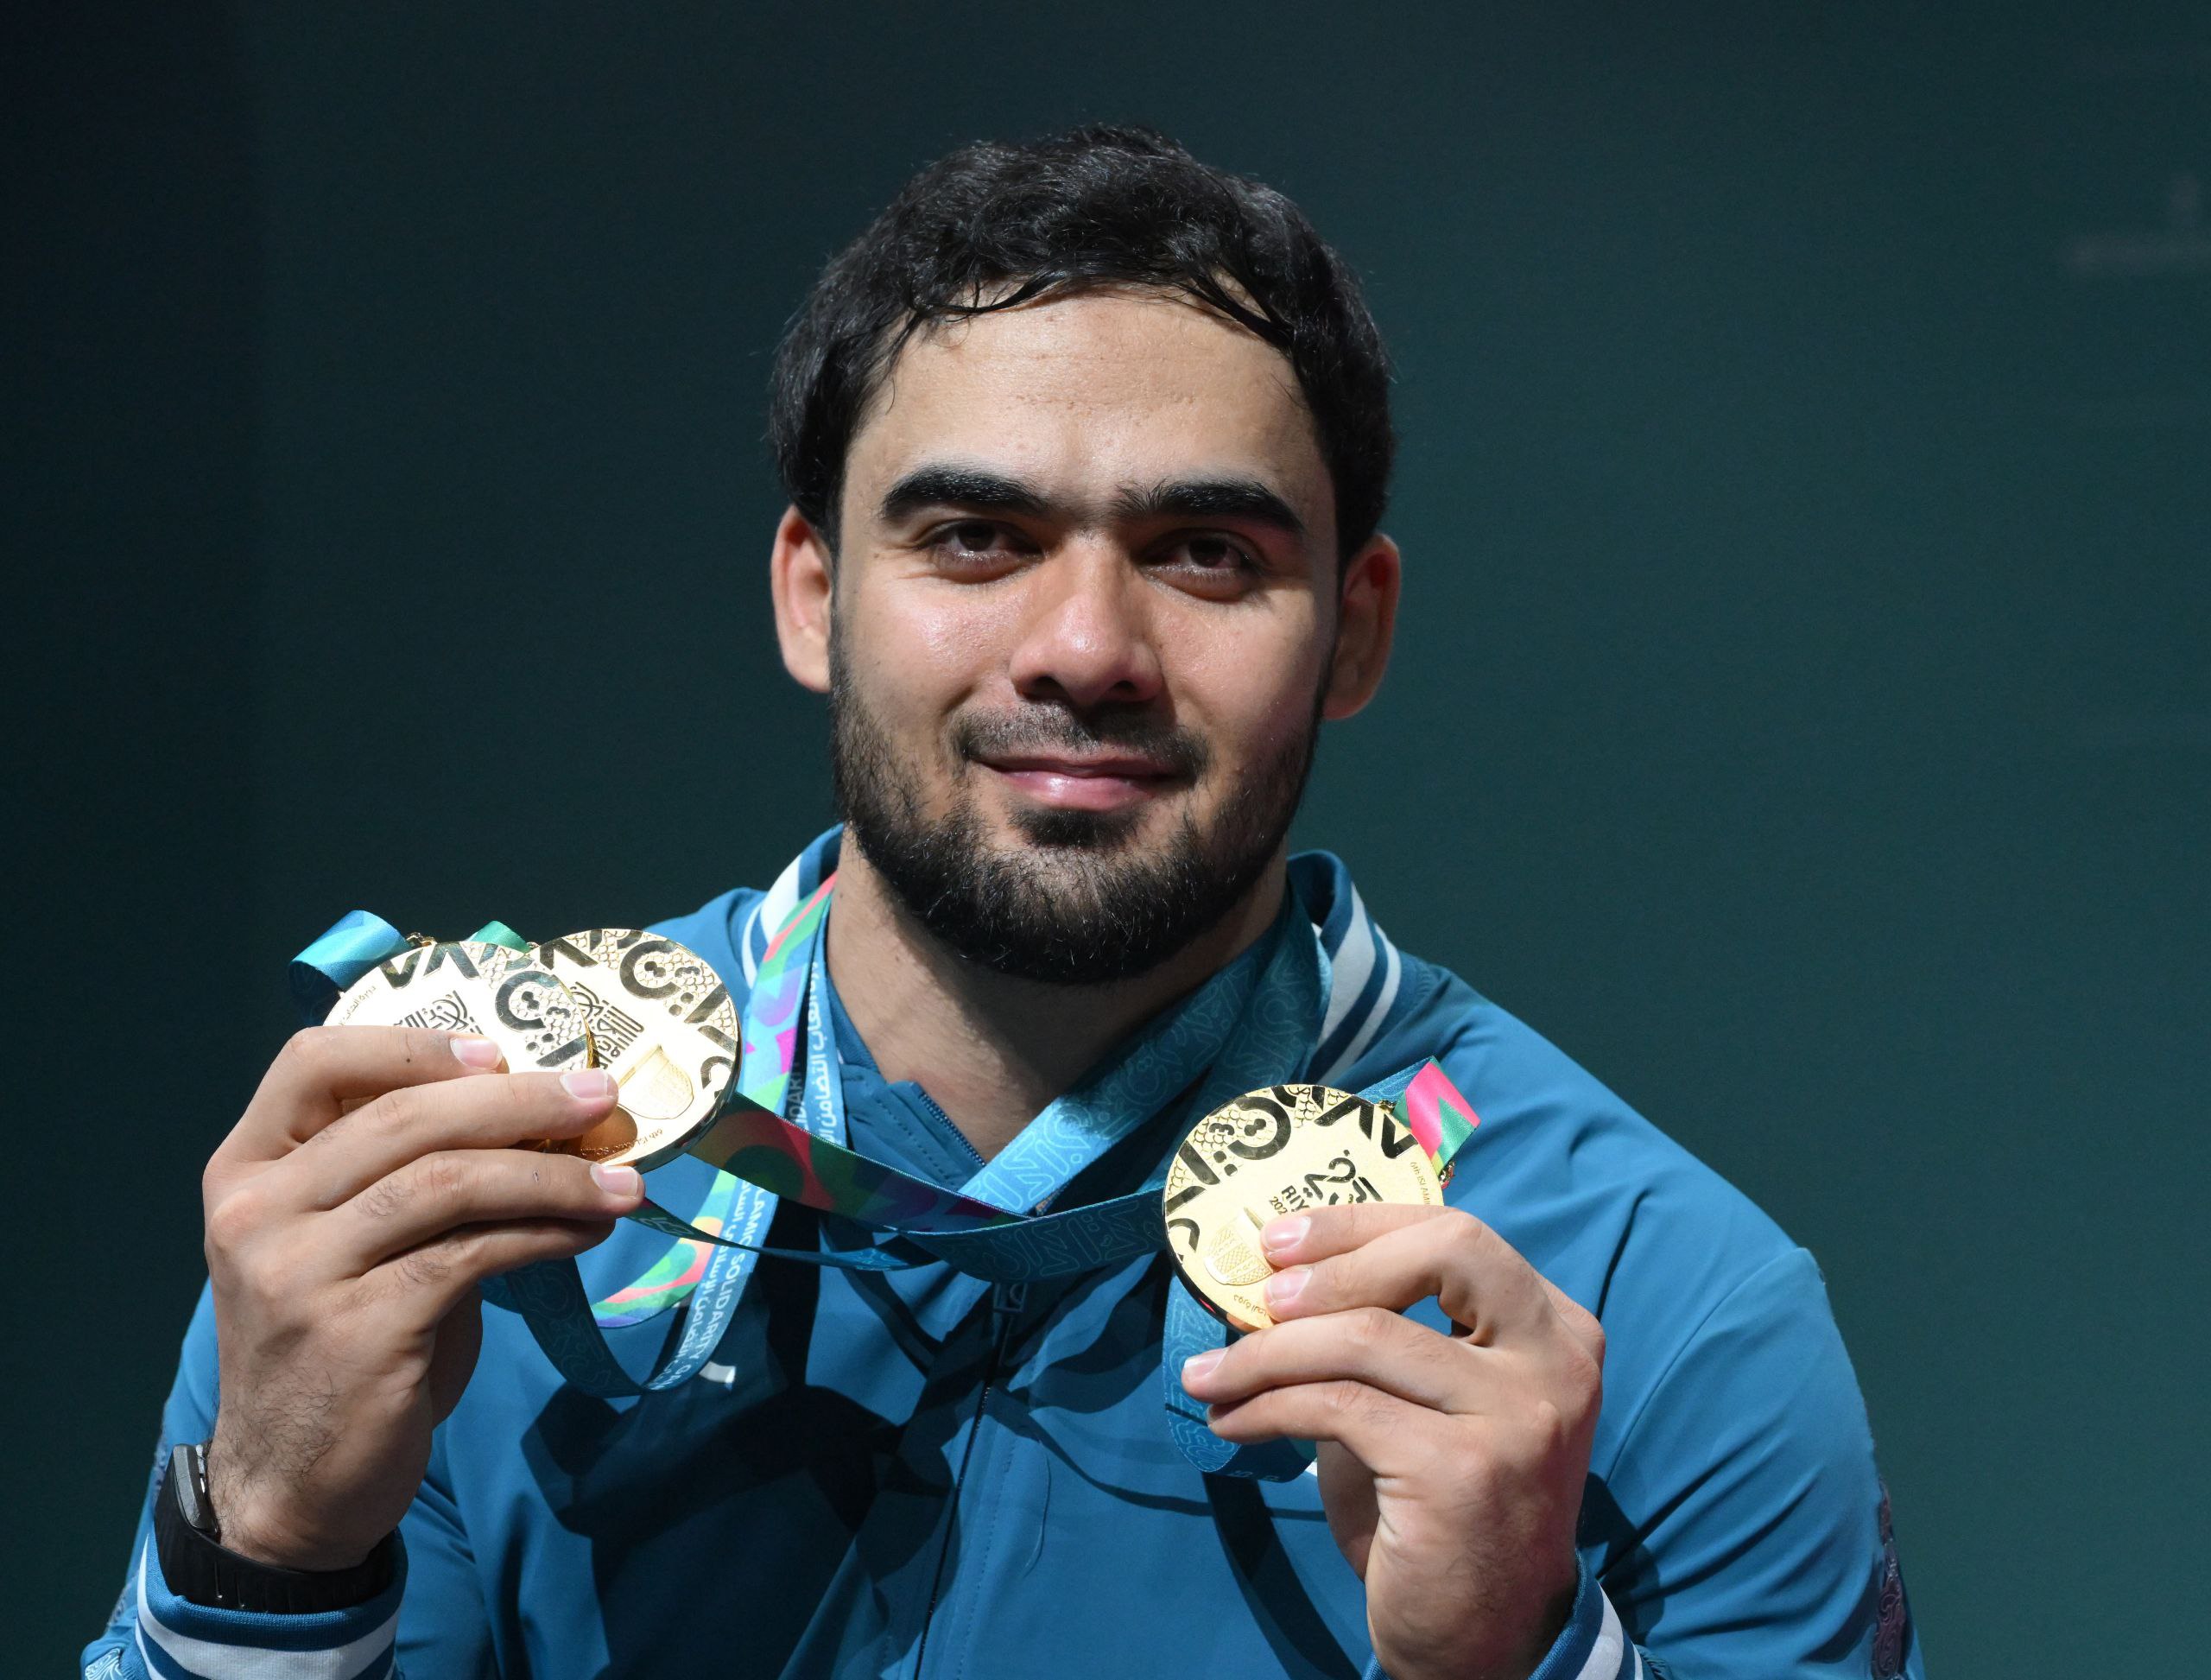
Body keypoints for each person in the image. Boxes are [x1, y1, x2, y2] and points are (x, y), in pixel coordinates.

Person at [86, 124, 1921, 1680]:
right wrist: (264, 1553)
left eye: (1204, 552)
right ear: (813, 594)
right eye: (976, 537)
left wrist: (1533, 1663)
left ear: (1354, 630)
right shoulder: (446, 1175)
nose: (1084, 647)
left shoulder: (1657, 1311)